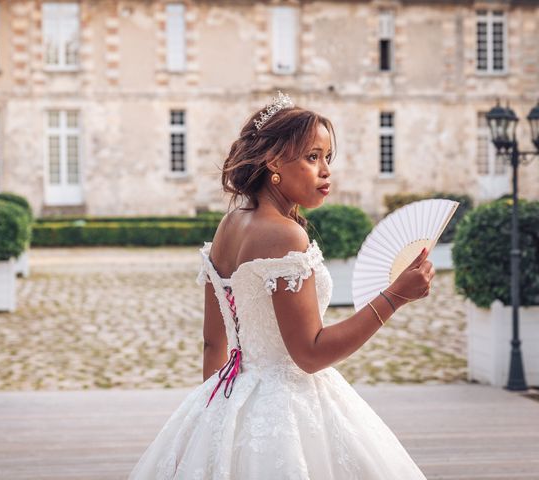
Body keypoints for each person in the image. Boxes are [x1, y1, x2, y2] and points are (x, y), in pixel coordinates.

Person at [130, 92, 434, 479]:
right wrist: (394, 297)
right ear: (274, 162)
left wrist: (216, 425)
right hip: (288, 407)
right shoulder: (285, 235)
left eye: (328, 157)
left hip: (230, 394)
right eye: (312, 157)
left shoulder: (230, 225)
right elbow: (309, 353)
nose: (325, 171)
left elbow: (213, 343)